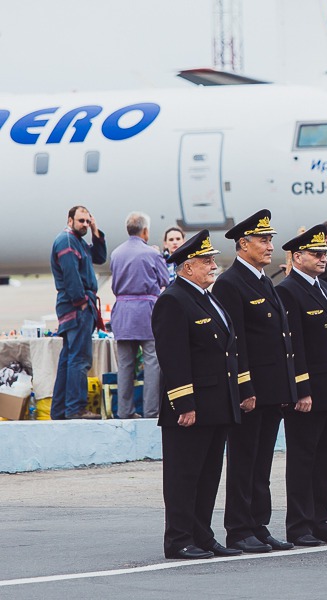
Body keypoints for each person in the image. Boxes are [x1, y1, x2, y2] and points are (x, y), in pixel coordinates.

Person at [152, 230, 242, 560]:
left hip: (216, 404)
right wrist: (184, 403)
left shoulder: (207, 297)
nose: (213, 266)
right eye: (206, 261)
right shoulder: (173, 300)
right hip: (191, 407)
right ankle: (178, 539)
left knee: (207, 476)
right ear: (188, 267)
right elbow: (173, 357)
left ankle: (202, 535)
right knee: (183, 477)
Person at [213, 209, 297, 554]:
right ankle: (238, 528)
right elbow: (237, 344)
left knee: (262, 463)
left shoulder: (264, 280)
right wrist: (244, 388)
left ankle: (258, 524)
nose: (269, 245)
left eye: (270, 239)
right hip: (251, 392)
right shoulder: (231, 283)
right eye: (263, 240)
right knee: (244, 461)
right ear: (242, 244)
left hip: (272, 389)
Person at [275, 225, 327, 547]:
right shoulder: (288, 290)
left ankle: (320, 520)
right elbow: (292, 346)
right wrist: (302, 389)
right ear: (297, 257)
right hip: (309, 393)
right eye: (316, 254)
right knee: (303, 461)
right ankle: (299, 525)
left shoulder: (326, 289)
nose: (324, 258)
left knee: (325, 461)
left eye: (325, 253)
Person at [109, 212, 169, 419]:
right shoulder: (151, 254)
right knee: (152, 362)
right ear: (145, 231)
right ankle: (151, 411)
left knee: (125, 365)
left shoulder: (116, 253)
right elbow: (164, 279)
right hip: (146, 311)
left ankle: (124, 411)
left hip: (123, 312)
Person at [50, 205, 107, 420]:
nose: (84, 224)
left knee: (68, 358)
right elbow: (71, 273)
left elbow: (100, 258)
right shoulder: (66, 241)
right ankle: (75, 408)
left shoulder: (78, 240)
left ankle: (59, 410)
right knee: (79, 359)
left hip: (76, 306)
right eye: (81, 220)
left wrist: (95, 229)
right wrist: (81, 301)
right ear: (70, 220)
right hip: (76, 307)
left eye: (87, 220)